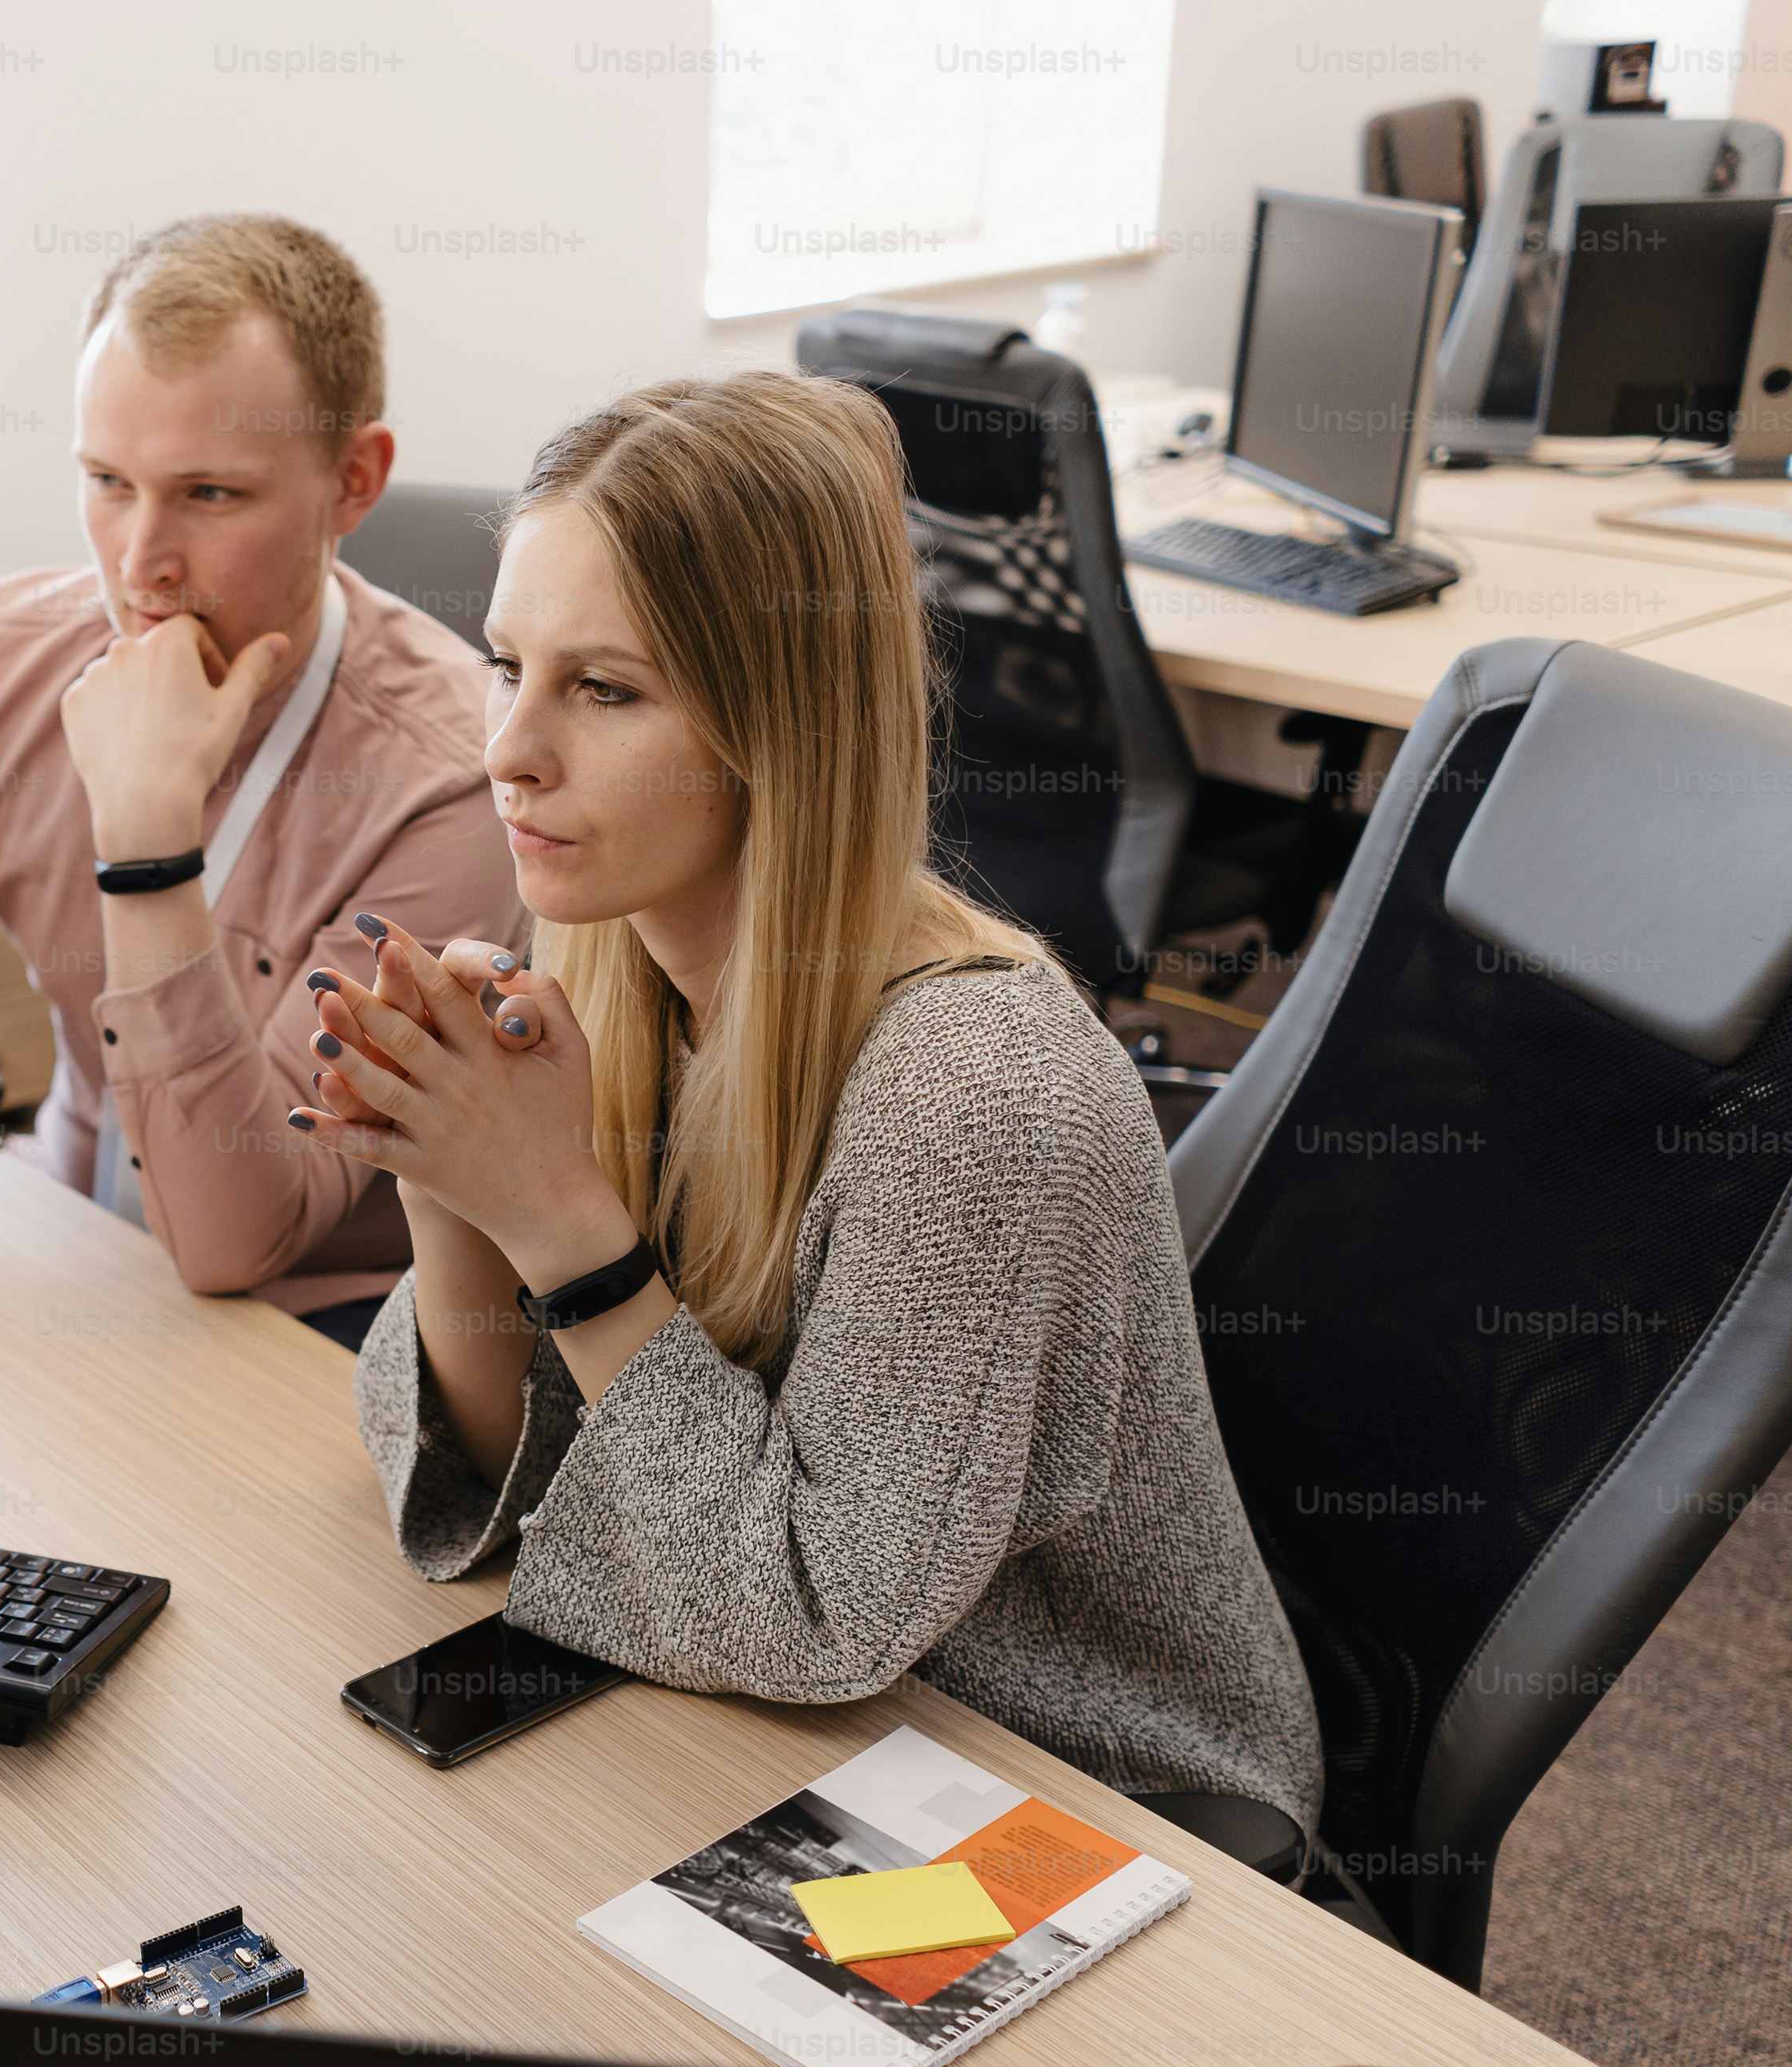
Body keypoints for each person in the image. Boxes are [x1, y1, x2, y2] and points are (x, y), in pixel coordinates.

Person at [293, 373, 1321, 1827]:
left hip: (1088, 1800)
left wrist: (565, 1224)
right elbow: (531, 1502)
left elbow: (815, 1625)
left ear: (783, 726)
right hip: (798, 1727)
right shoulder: (614, 976)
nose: (509, 749)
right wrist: (449, 1193)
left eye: (605, 689)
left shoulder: (972, 1096)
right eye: (504, 663)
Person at [0, 216, 521, 1342]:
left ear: (353, 479)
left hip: (313, 1328)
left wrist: (147, 844)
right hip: (71, 1249)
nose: (139, 561)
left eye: (210, 495)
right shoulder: (0, 660)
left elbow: (238, 1238)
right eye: (108, 481)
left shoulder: (456, 779)